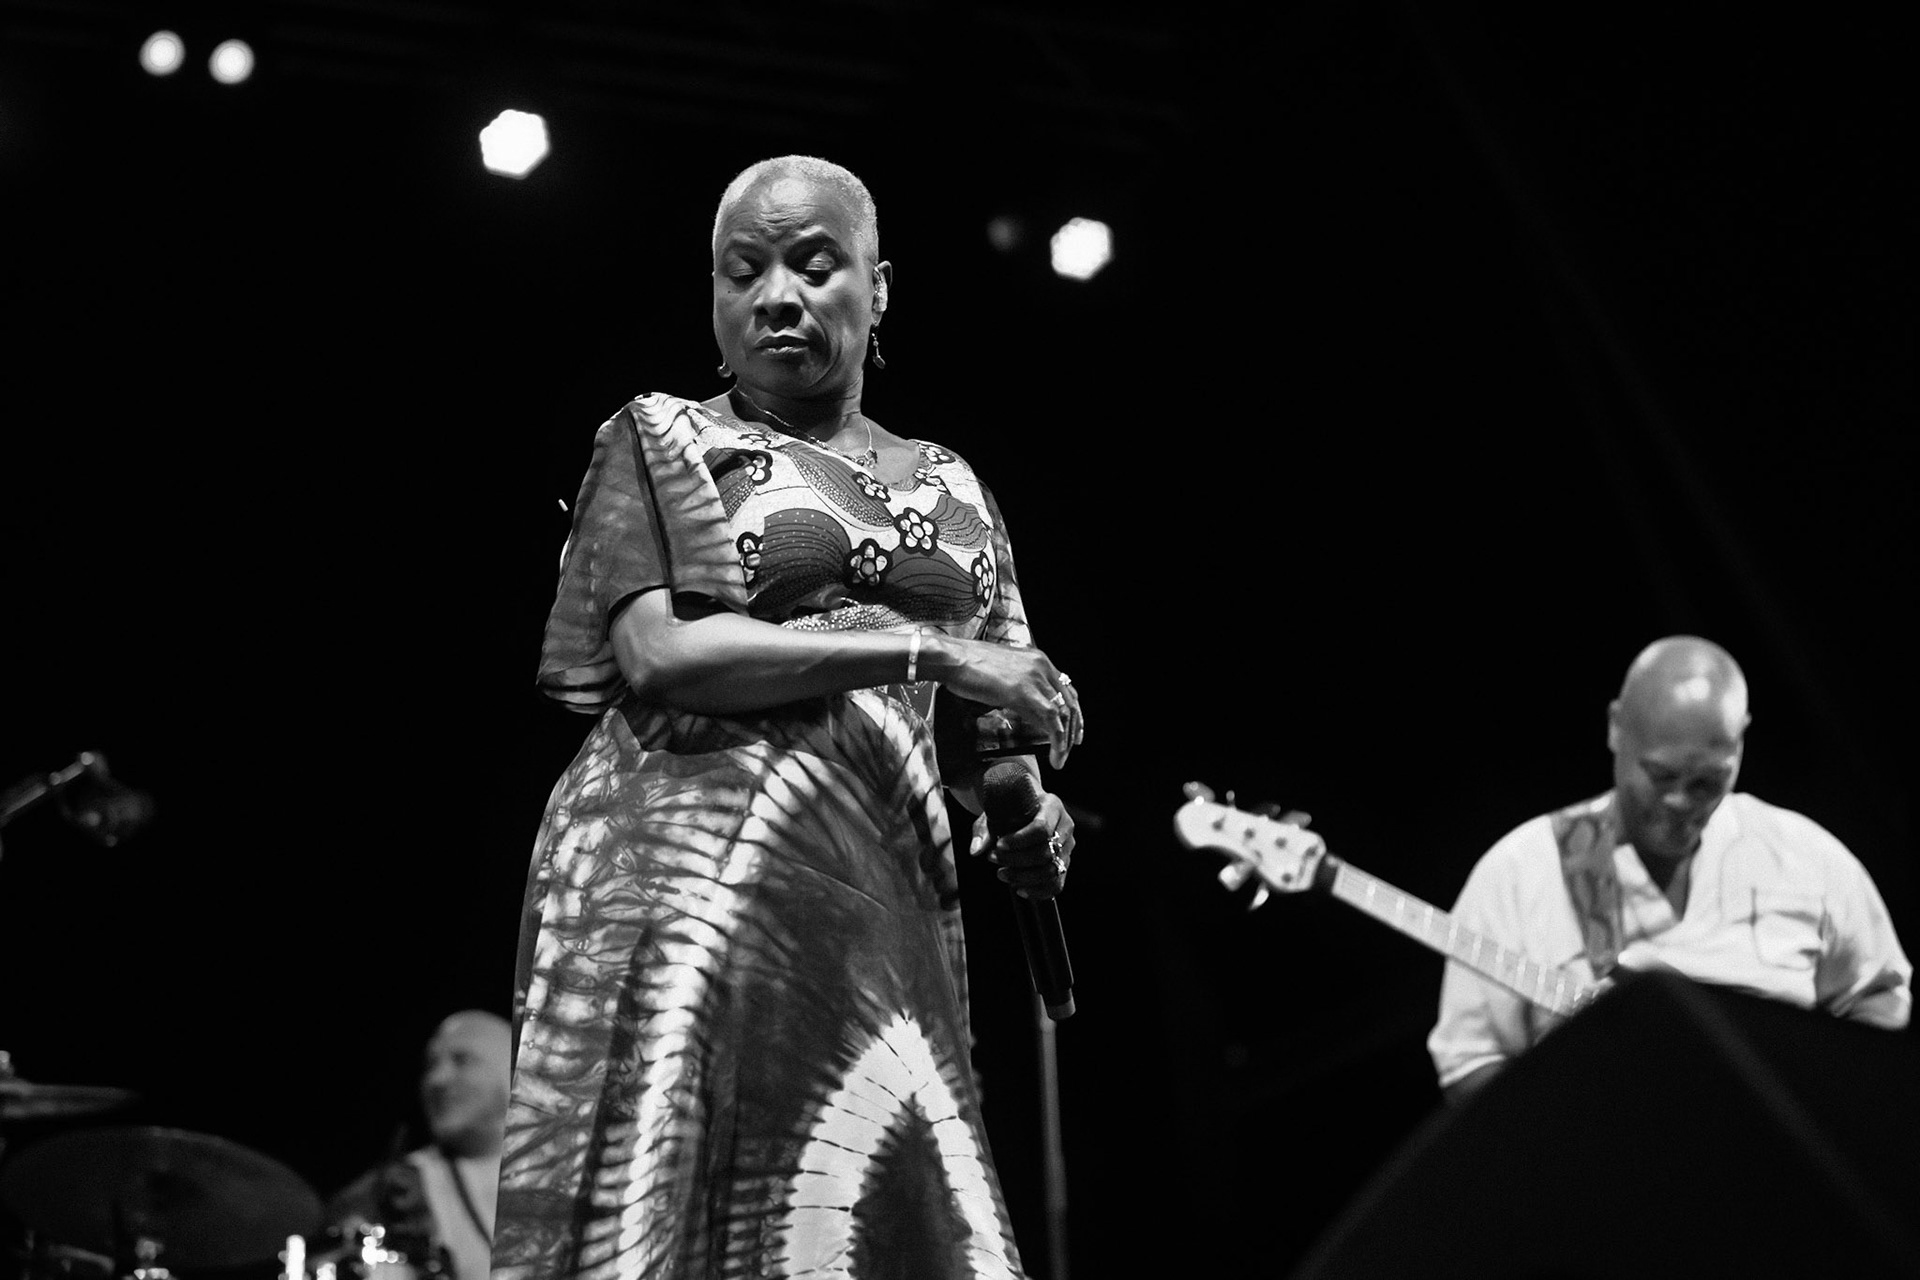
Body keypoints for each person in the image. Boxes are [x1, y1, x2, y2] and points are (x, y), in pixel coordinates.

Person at [494, 155, 1085, 1280]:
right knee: (687, 1217)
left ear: (882, 285)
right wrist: (928, 646)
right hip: (686, 895)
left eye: (816, 266)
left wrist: (1025, 810)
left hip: (880, 909)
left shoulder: (956, 486)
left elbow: (980, 738)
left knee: (870, 1211)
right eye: (743, 271)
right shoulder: (659, 437)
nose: (778, 296)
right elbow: (662, 654)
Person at [1429, 636, 1911, 1103]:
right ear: (1616, 727)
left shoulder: (1807, 859)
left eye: (1707, 782)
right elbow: (1470, 1065)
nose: (1680, 801)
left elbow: (1877, 999)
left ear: (1740, 742)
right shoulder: (1519, 874)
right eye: (1660, 776)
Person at [326, 1009, 510, 1280]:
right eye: (430, 1065)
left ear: (512, 1071)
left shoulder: (573, 1176)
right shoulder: (385, 1196)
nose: (437, 1079)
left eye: (462, 1060)